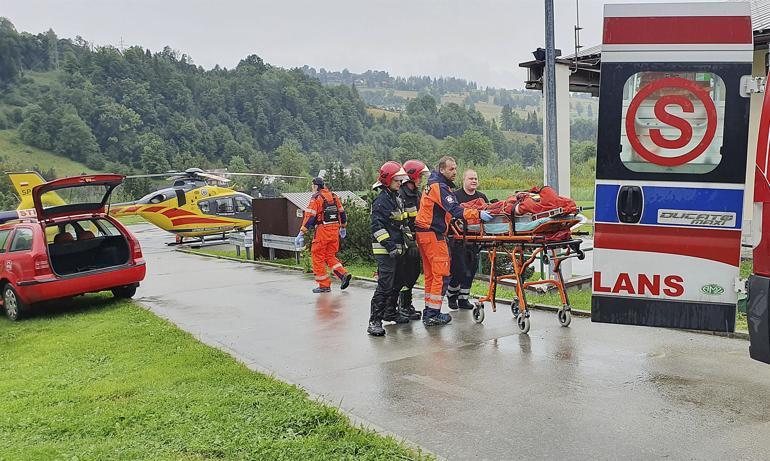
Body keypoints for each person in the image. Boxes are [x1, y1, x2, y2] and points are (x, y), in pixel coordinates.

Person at [415, 156, 492, 326]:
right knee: (441, 275)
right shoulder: (439, 187)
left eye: (456, 168)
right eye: (451, 169)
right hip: (433, 234)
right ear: (442, 169)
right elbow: (455, 210)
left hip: (425, 234)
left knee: (431, 275)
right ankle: (432, 314)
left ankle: (429, 311)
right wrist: (478, 214)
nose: (455, 172)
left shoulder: (433, 185)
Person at [368, 161, 411, 336]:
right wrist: (390, 246)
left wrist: (410, 242)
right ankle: (374, 321)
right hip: (384, 250)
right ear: (387, 180)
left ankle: (390, 312)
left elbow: (402, 222)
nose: (399, 183)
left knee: (398, 282)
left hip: (398, 248)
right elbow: (377, 227)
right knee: (385, 285)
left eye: (400, 180)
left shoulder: (396, 197)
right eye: (396, 180)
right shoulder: (381, 201)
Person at [296, 177, 352, 293]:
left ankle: (324, 285)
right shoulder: (334, 196)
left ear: (316, 186)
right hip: (334, 230)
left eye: (312, 186)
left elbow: (310, 216)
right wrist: (343, 227)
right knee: (329, 256)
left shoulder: (316, 198)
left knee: (317, 257)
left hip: (322, 230)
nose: (312, 188)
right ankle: (343, 275)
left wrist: (302, 231)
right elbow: (342, 213)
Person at [448, 169, 489, 310]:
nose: (474, 181)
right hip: (459, 239)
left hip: (475, 240)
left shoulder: (482, 197)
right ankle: (452, 296)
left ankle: (463, 299)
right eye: (471, 178)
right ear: (464, 180)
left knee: (470, 271)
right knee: (458, 269)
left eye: (476, 178)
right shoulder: (455, 196)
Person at [397, 159, 429, 320]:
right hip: (406, 241)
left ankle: (406, 304)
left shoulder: (416, 194)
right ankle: (402, 305)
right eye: (419, 176)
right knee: (405, 273)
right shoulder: (401, 195)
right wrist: (410, 241)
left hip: (416, 239)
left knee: (414, 272)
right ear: (411, 176)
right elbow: (403, 221)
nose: (421, 180)